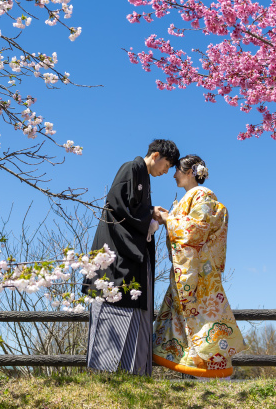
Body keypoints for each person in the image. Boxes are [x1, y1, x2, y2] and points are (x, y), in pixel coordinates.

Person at [82, 139, 180, 376]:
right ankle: (104, 373)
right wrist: (151, 215)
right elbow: (118, 207)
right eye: (166, 165)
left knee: (133, 306)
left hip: (130, 255)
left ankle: (131, 372)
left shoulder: (143, 177)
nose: (166, 171)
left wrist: (151, 213)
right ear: (156, 155)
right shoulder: (131, 169)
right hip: (117, 255)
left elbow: (134, 211)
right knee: (114, 302)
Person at [152, 155, 245, 378]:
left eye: (177, 170)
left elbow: (196, 229)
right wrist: (169, 217)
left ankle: (208, 369)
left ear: (190, 172)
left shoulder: (202, 195)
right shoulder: (189, 198)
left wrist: (168, 220)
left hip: (198, 271)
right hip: (187, 269)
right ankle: (193, 367)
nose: (174, 174)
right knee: (191, 319)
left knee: (205, 319)